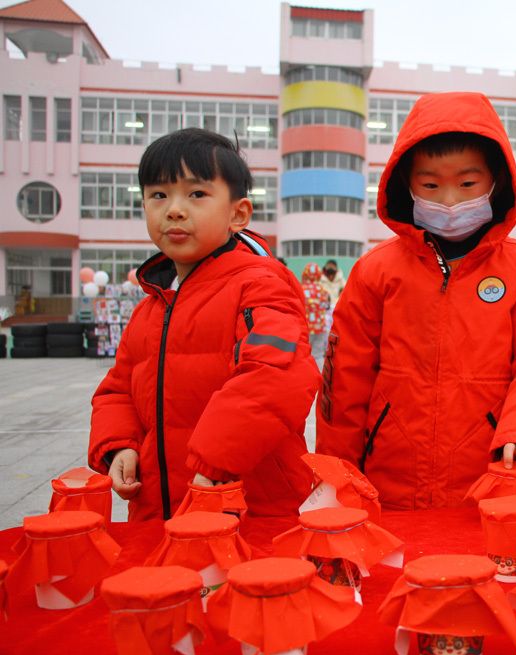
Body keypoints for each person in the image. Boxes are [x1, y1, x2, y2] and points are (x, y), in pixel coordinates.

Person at [315, 92, 516, 510]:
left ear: (497, 182)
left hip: (494, 476)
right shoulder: (376, 270)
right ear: (407, 185)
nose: (451, 200)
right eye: (432, 185)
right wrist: (336, 472)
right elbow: (344, 378)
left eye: (468, 183)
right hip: (389, 481)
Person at [88, 128, 319, 521]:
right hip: (160, 512)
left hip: (248, 510)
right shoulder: (151, 308)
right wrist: (119, 445)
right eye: (159, 195)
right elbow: (117, 389)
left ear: (238, 214)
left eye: (197, 194)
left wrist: (215, 463)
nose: (175, 209)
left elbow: (275, 375)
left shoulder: (261, 286)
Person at [301, 262, 332, 363]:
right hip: (320, 327)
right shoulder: (322, 290)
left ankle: (307, 376)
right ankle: (319, 376)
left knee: (304, 355)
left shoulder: (301, 289)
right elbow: (327, 307)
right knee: (318, 355)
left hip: (305, 328)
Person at [320, 259, 347, 329]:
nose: (330, 276)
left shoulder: (341, 281)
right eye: (329, 271)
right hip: (325, 310)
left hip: (337, 309)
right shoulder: (320, 280)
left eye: (332, 271)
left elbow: (346, 294)